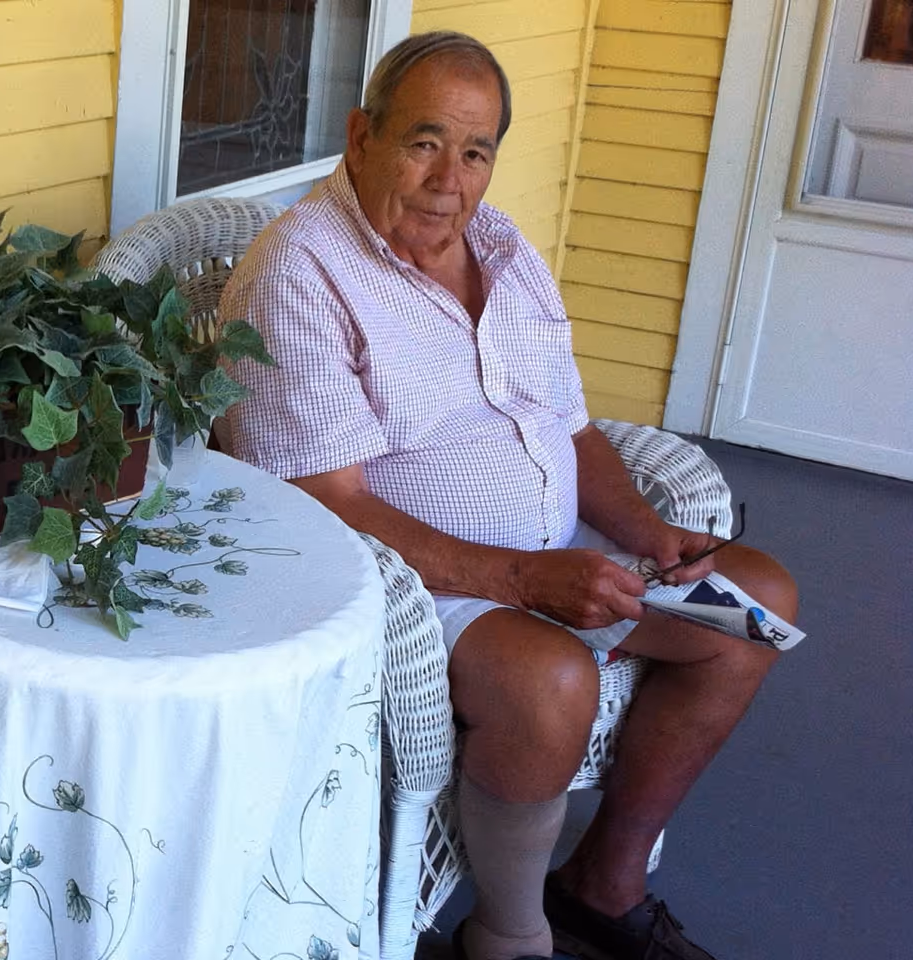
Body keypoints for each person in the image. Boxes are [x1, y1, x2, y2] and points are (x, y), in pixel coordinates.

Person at [222, 32, 798, 960]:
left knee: (756, 606)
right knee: (550, 681)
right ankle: (507, 933)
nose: (450, 178)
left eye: (476, 150)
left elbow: (568, 427)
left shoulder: (500, 244)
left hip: (554, 555)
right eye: (424, 141)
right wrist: (528, 581)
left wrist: (650, 536)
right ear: (360, 135)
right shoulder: (300, 272)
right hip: (412, 581)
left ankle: (604, 887)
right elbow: (331, 505)